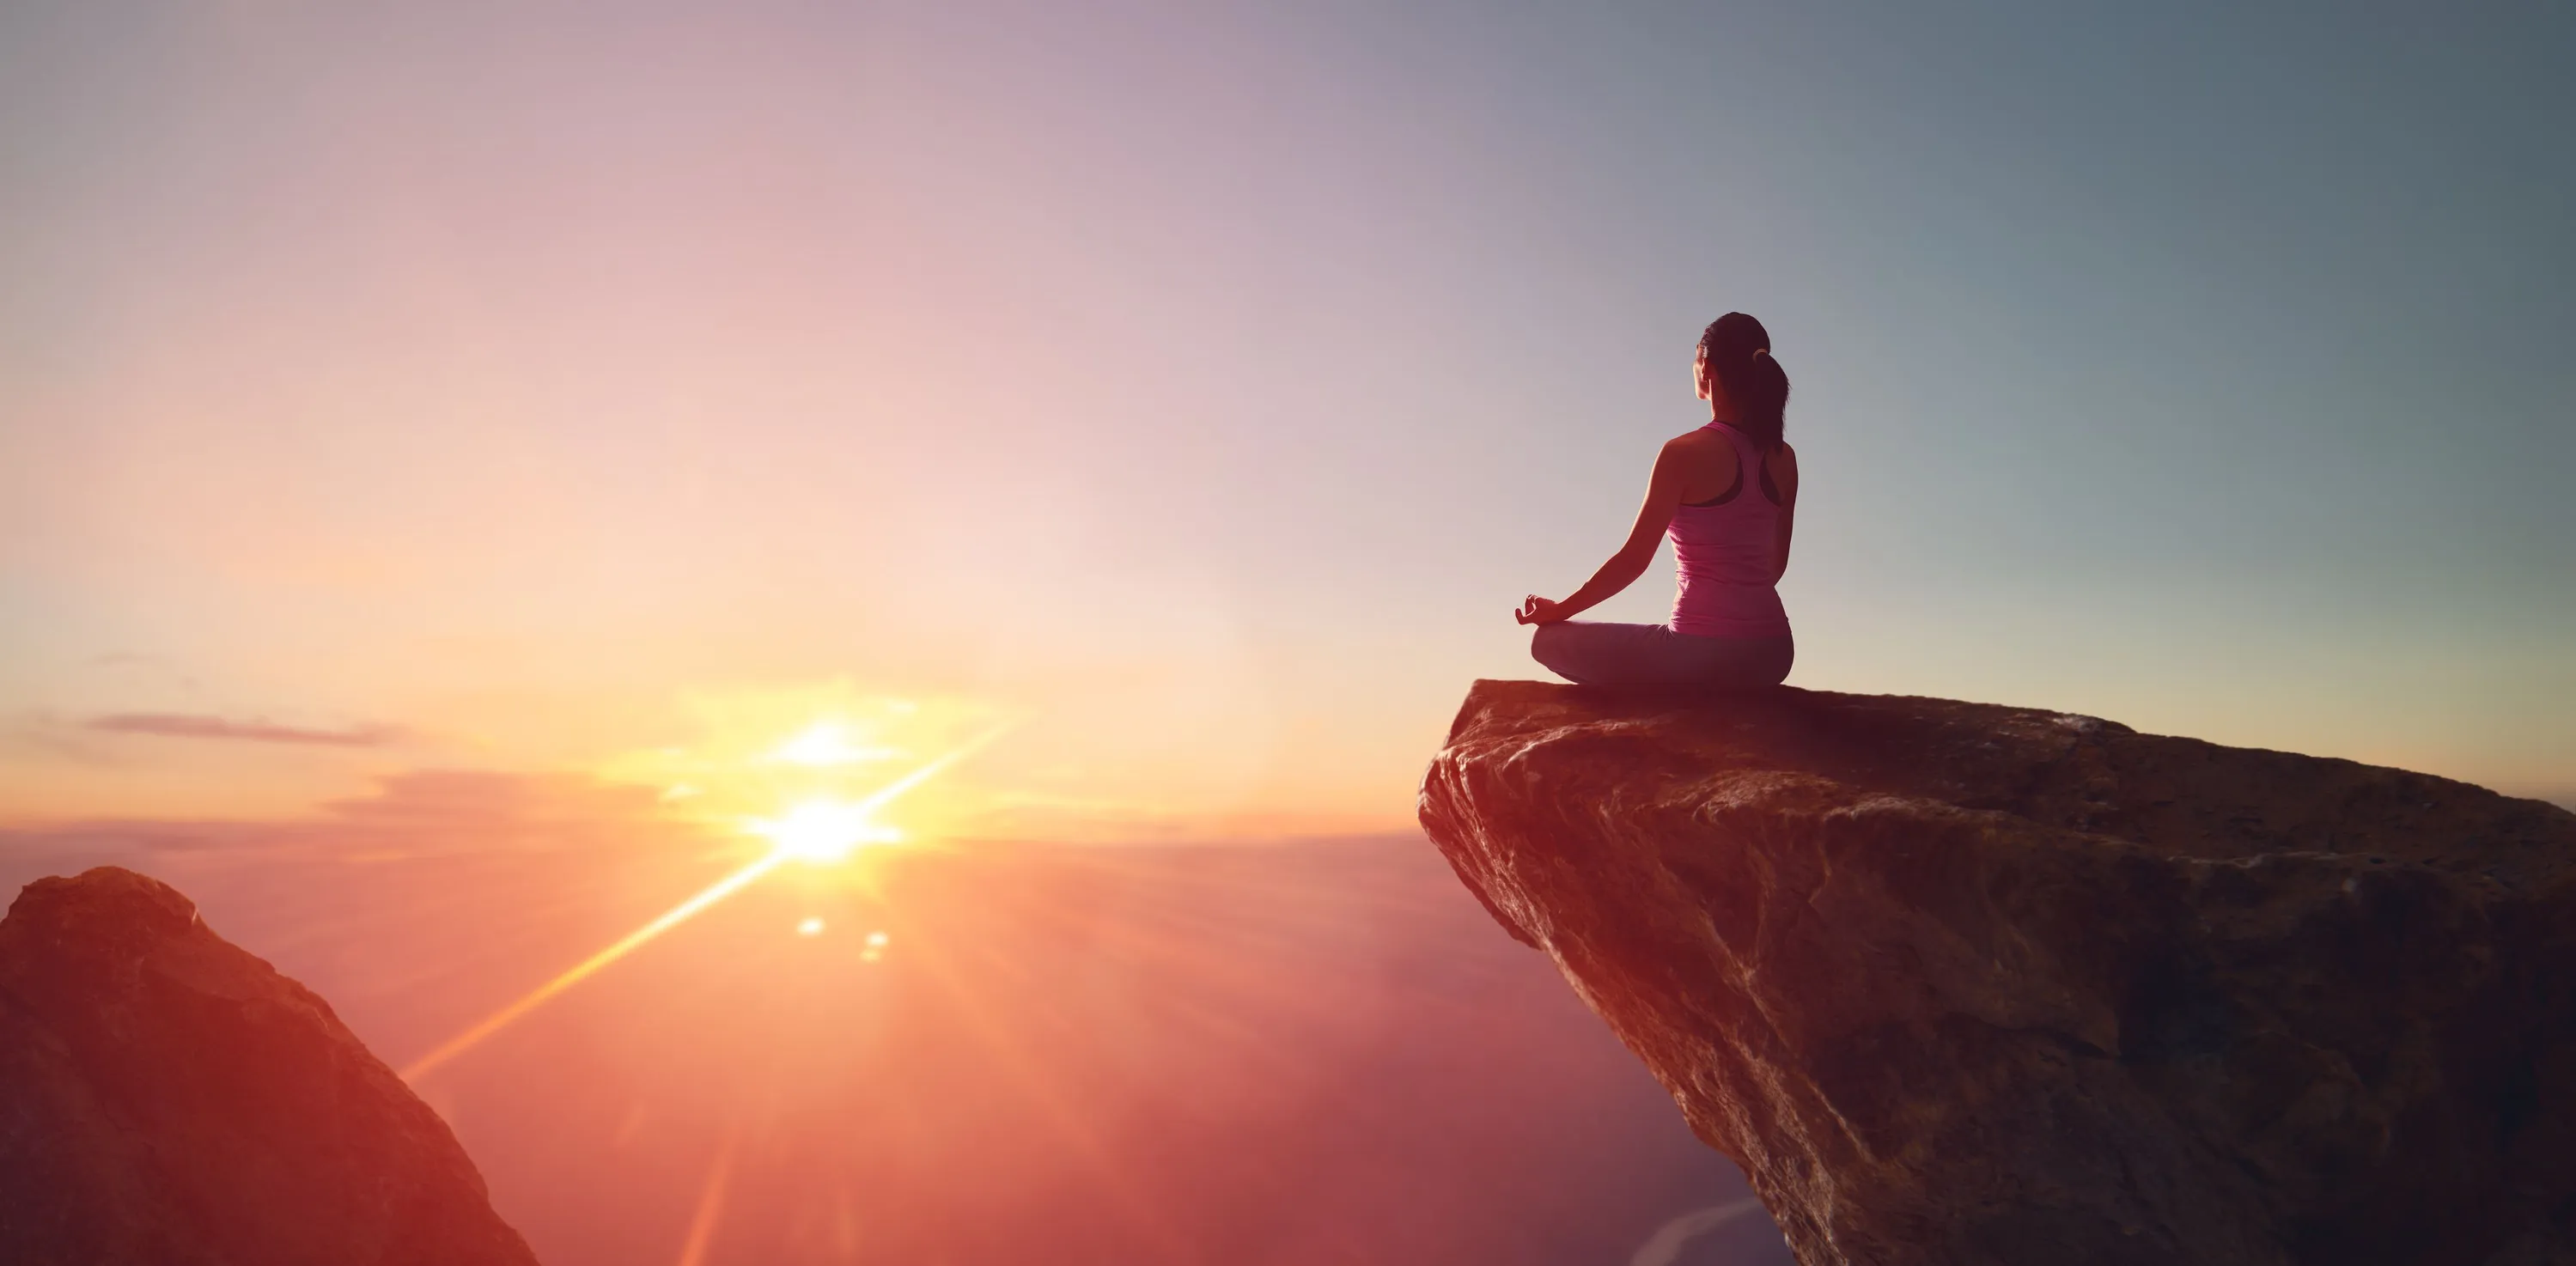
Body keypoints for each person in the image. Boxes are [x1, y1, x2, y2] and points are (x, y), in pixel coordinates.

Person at [1515, 312, 1797, 687]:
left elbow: (1633, 562)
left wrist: (1560, 611)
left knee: (1545, 642)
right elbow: (1775, 566)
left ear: (1707, 367)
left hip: (1698, 655)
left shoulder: (1682, 453)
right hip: (1774, 655)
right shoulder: (1784, 458)